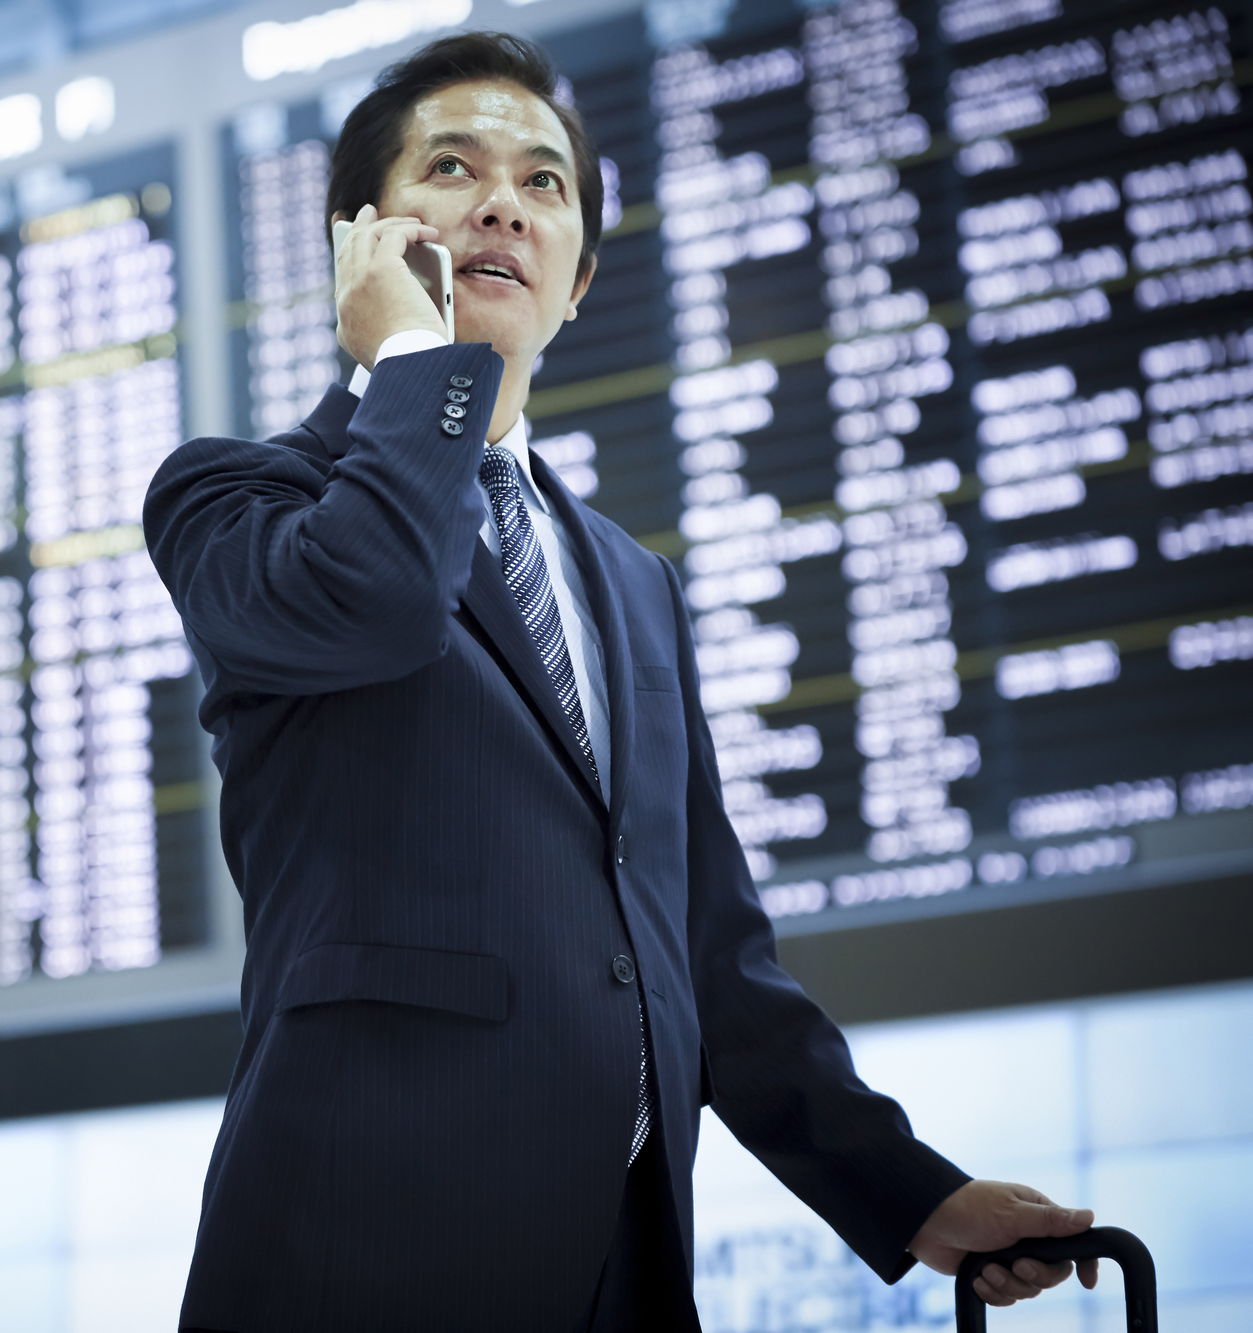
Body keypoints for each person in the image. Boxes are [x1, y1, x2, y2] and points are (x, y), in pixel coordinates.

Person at [146, 30, 1099, 1333]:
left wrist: (912, 1196)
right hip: (361, 1252)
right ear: (359, 238)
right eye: (452, 167)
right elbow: (368, 605)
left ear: (579, 278)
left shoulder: (629, 579)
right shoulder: (238, 493)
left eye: (543, 185)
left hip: (624, 1270)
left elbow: (701, 940)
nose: (500, 202)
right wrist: (423, 369)